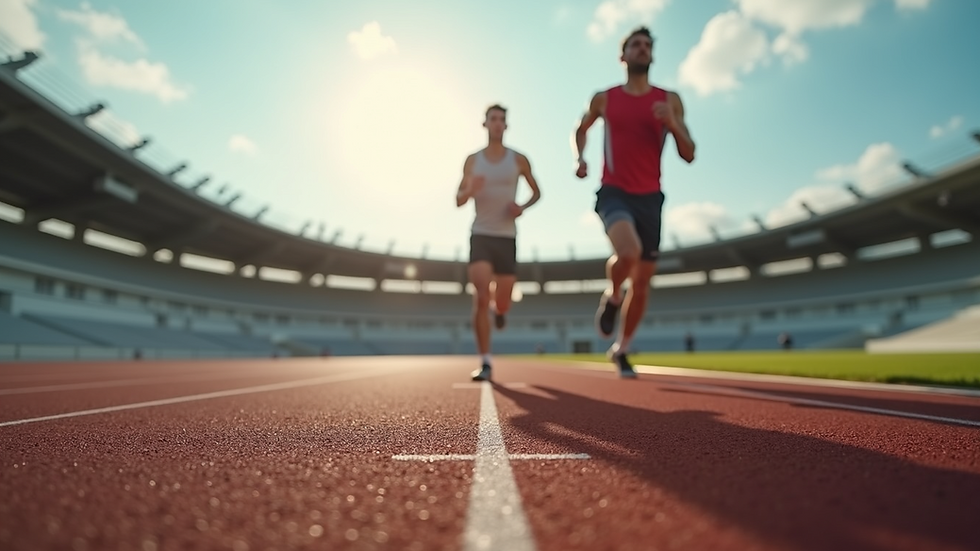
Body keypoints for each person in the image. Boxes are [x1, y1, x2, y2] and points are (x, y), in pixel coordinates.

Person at [573, 26, 696, 378]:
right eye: (634, 45)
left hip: (650, 198)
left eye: (647, 45)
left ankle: (622, 349)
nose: (642, 49)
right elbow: (580, 129)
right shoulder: (604, 98)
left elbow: (689, 153)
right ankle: (613, 294)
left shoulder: (669, 99)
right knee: (628, 253)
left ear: (652, 55)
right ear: (622, 55)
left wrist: (672, 123)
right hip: (613, 192)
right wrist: (579, 158)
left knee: (642, 282)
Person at [456, 104, 542, 381]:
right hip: (481, 233)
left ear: (506, 126)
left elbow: (537, 192)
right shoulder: (472, 160)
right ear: (485, 124)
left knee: (501, 301)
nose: (497, 124)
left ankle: (500, 309)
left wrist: (522, 207)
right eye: (493, 119)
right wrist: (471, 189)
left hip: (507, 237)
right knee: (480, 295)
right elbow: (458, 199)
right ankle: (485, 361)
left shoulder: (518, 160)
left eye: (502, 120)